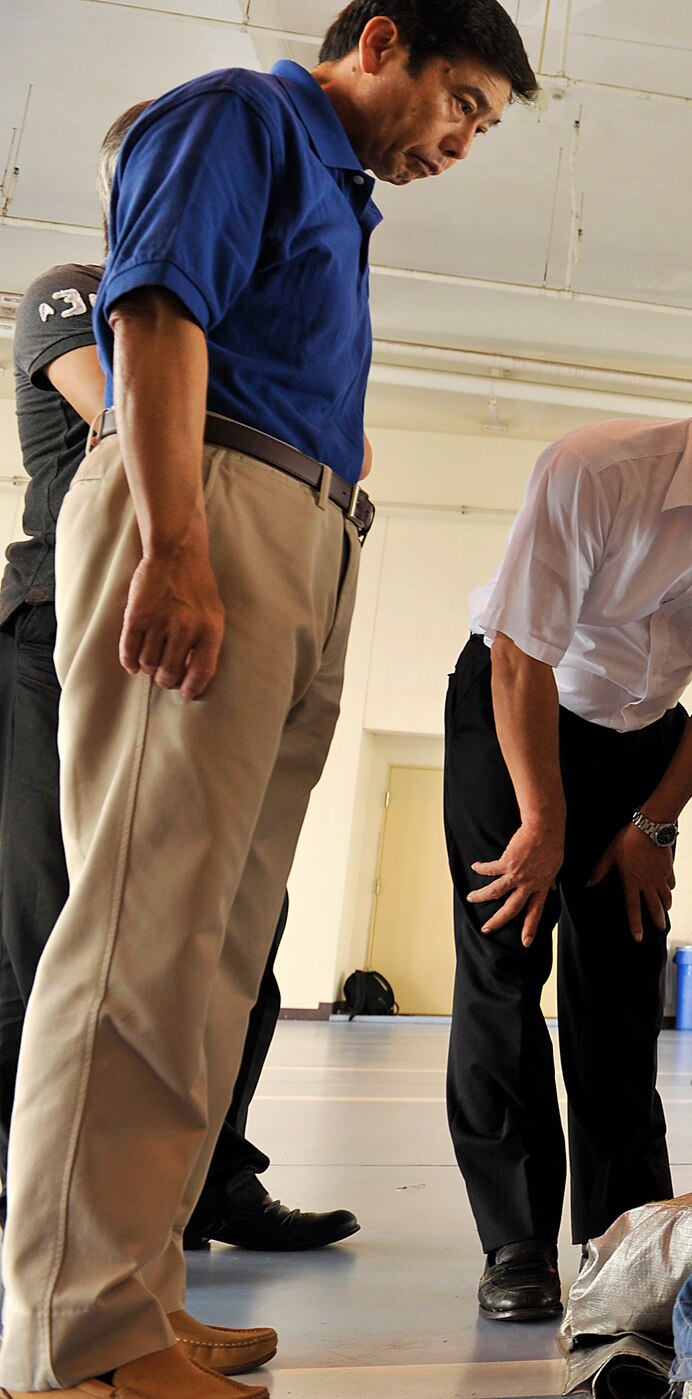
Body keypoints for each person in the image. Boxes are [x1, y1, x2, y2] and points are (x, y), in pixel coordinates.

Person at [0, 4, 536, 1394]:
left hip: (299, 528)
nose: (463, 143)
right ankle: (75, 1339)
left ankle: (137, 1290)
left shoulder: (337, 194)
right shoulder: (242, 116)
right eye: (463, 104)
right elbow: (156, 307)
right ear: (381, 39)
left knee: (211, 955)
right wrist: (177, 540)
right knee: (137, 927)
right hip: (211, 504)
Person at [0, 106, 358, 1277]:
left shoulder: (210, 310)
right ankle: (48, 1240)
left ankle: (175, 1212)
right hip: (66, 622)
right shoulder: (73, 292)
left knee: (218, 939)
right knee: (87, 928)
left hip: (178, 606)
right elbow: (132, 415)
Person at [446, 339, 692, 1322]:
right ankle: (515, 1244)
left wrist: (649, 825)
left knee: (622, 987)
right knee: (505, 962)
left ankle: (627, 1234)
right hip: (518, 710)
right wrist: (544, 814)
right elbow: (518, 655)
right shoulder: (594, 469)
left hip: (642, 740)